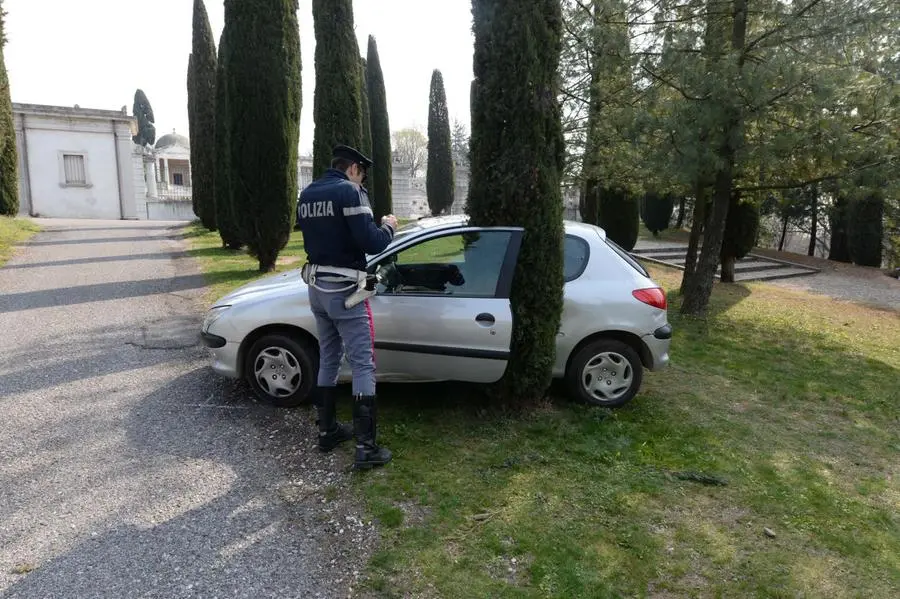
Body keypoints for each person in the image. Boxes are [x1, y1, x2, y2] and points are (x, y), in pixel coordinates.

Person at [296, 144, 398, 470]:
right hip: (346, 291)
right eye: (362, 174)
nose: (363, 180)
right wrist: (389, 225)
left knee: (329, 357)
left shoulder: (308, 193)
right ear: (354, 168)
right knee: (363, 364)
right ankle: (366, 449)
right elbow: (374, 242)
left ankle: (327, 431)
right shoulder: (350, 192)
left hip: (317, 289)